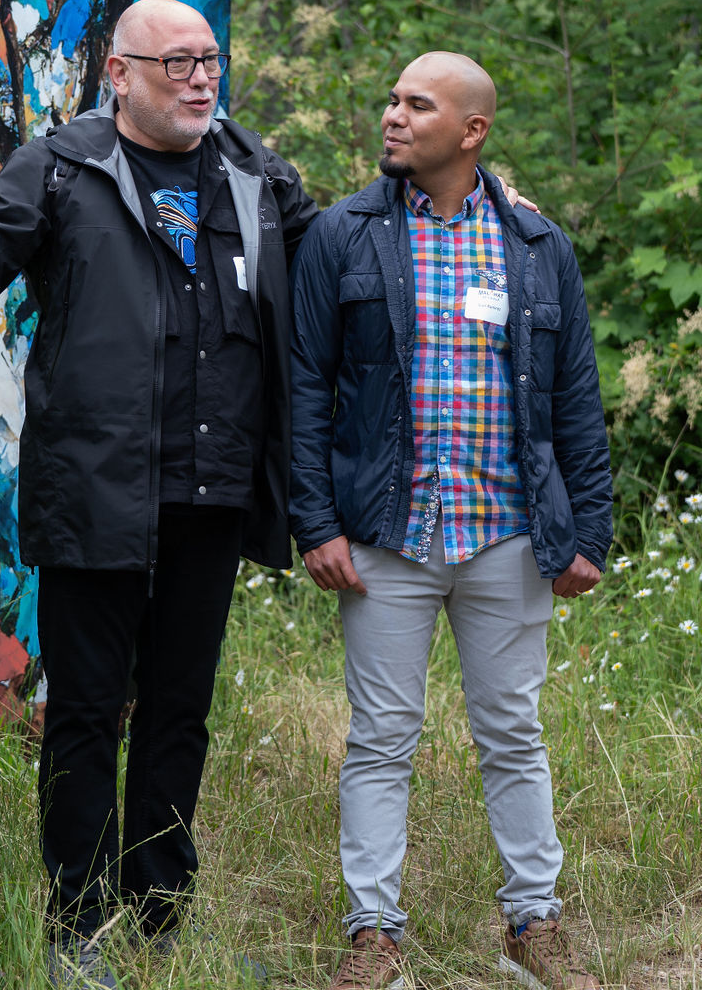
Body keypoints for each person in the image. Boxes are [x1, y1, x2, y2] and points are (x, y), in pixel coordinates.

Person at [0, 0, 318, 988]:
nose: (200, 78)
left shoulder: (255, 172)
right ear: (120, 75)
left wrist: (463, 210)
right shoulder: (61, 165)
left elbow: (339, 264)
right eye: (177, 62)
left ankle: (162, 917)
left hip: (212, 491)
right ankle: (79, 926)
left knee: (180, 709)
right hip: (94, 488)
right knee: (88, 712)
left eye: (209, 59)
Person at [289, 52, 613, 990]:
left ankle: (533, 924)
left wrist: (588, 532)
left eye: (417, 105)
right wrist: (315, 523)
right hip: (387, 534)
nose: (393, 115)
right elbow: (304, 388)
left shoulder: (538, 246)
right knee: (380, 737)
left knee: (513, 732)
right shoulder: (343, 235)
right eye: (392, 99)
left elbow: (575, 398)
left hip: (507, 530)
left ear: (472, 131)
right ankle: (373, 937)